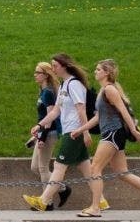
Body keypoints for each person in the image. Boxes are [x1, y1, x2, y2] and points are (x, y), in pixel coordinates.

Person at [69, 59, 140, 217]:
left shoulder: (110, 89)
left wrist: (134, 131)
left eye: (98, 69)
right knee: (122, 172)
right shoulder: (103, 90)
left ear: (107, 73)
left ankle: (95, 208)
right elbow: (98, 117)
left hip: (113, 133)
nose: (95, 72)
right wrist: (80, 130)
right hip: (112, 133)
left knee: (95, 168)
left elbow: (124, 111)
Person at [23, 53, 109, 213]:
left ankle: (43, 200)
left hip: (74, 131)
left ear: (64, 66)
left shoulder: (74, 84)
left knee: (59, 166)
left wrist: (85, 132)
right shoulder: (64, 85)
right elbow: (56, 111)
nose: (53, 68)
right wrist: (40, 125)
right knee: (86, 168)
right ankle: (101, 201)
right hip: (71, 131)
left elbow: (81, 109)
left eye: (55, 65)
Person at [30, 62, 62, 202]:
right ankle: (62, 188)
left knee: (42, 168)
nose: (35, 75)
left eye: (38, 72)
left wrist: (42, 137)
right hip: (42, 132)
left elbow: (50, 117)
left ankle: (46, 202)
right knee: (35, 167)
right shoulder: (43, 91)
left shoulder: (48, 92)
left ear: (46, 75)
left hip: (49, 133)